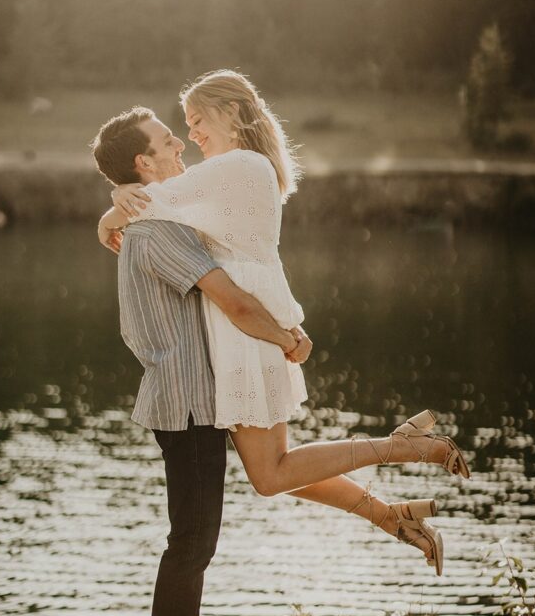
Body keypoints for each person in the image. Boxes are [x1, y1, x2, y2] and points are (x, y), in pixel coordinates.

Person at [98, 70, 470, 588]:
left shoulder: (235, 165)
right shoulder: (241, 167)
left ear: (230, 113)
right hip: (246, 324)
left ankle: (401, 448)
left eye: (198, 120)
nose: (191, 135)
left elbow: (148, 203)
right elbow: (158, 205)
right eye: (184, 127)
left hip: (245, 326)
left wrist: (110, 210)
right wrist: (119, 203)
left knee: (272, 473)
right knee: (276, 469)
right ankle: (389, 512)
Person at [91, 105, 311, 616]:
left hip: (192, 398)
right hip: (186, 401)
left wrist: (113, 206)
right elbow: (235, 303)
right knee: (190, 540)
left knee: (197, 538)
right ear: (144, 162)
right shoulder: (158, 232)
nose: (179, 148)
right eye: (167, 142)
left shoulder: (155, 216)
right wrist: (289, 338)